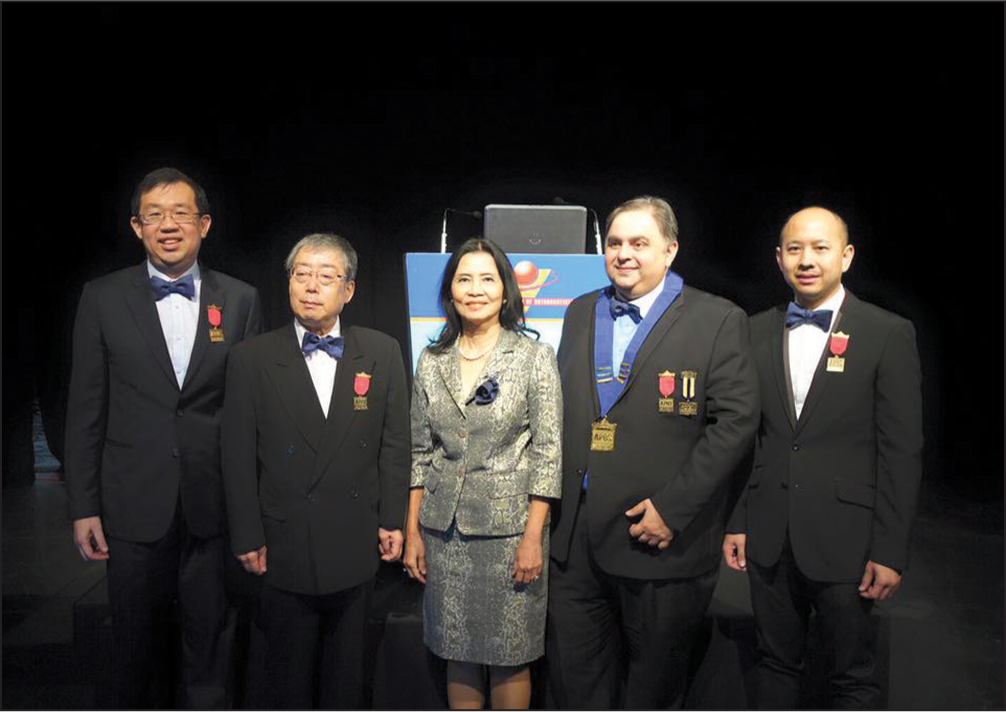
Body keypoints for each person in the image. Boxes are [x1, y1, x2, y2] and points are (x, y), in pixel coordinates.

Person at [547, 196, 760, 709]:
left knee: (652, 692)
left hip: (659, 539)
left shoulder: (717, 319)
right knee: (578, 687)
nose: (624, 254)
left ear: (670, 250)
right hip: (575, 544)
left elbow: (734, 424)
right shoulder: (580, 310)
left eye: (639, 243)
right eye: (615, 243)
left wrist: (673, 509)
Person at [65, 167, 263, 708]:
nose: (168, 225)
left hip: (211, 506)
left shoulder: (241, 300)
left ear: (204, 224)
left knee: (210, 645)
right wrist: (83, 506)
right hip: (131, 504)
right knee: (133, 647)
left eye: (180, 214)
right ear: (136, 227)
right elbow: (86, 410)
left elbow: (247, 416)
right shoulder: (102, 298)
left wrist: (250, 511)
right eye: (154, 215)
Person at [722, 206, 923, 708]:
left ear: (846, 256)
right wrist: (738, 519)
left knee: (852, 674)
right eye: (794, 249)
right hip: (769, 534)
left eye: (820, 248)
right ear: (778, 258)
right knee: (773, 662)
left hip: (848, 541)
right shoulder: (752, 330)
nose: (806, 260)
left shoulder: (886, 333)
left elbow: (901, 450)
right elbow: (748, 437)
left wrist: (890, 550)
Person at [221, 232, 410, 708]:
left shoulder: (381, 351)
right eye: (301, 274)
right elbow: (237, 454)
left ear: (348, 290)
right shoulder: (252, 358)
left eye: (326, 276)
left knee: (347, 677)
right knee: (287, 677)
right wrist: (245, 533)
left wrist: (392, 519)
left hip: (355, 535)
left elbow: (394, 444)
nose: (311, 286)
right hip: (283, 542)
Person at [403, 237, 562, 710]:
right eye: (464, 279)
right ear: (450, 291)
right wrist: (413, 530)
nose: (475, 289)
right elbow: (419, 451)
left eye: (487, 279)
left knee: (510, 654)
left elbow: (549, 454)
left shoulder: (534, 358)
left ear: (506, 290)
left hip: (511, 533)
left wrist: (533, 536)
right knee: (457, 651)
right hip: (443, 531)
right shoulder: (432, 361)